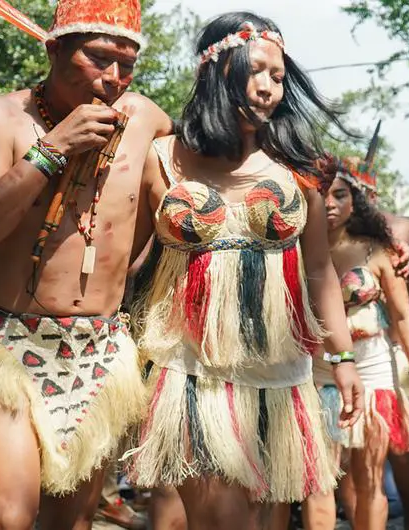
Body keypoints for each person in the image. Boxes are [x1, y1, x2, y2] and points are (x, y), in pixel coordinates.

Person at [125, 11, 363, 528]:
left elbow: (319, 273)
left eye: (278, 77)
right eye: (256, 71)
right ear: (217, 69)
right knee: (221, 520)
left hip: (279, 378)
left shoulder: (297, 170)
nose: (269, 89)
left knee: (256, 518)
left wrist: (343, 358)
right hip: (191, 373)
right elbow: (127, 260)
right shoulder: (161, 158)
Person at [0, 1, 173, 528]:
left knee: (72, 521)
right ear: (54, 49)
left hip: (101, 350)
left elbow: (182, 198)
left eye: (128, 64)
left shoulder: (146, 119)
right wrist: (53, 148)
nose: (115, 78)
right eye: (98, 59)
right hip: (8, 345)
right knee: (8, 514)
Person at [306, 158, 409, 530]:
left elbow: (402, 316)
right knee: (319, 481)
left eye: (340, 195)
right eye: (322, 195)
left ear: (355, 202)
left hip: (374, 367)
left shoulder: (376, 251)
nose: (330, 203)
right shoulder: (294, 249)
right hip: (315, 368)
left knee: (369, 479)